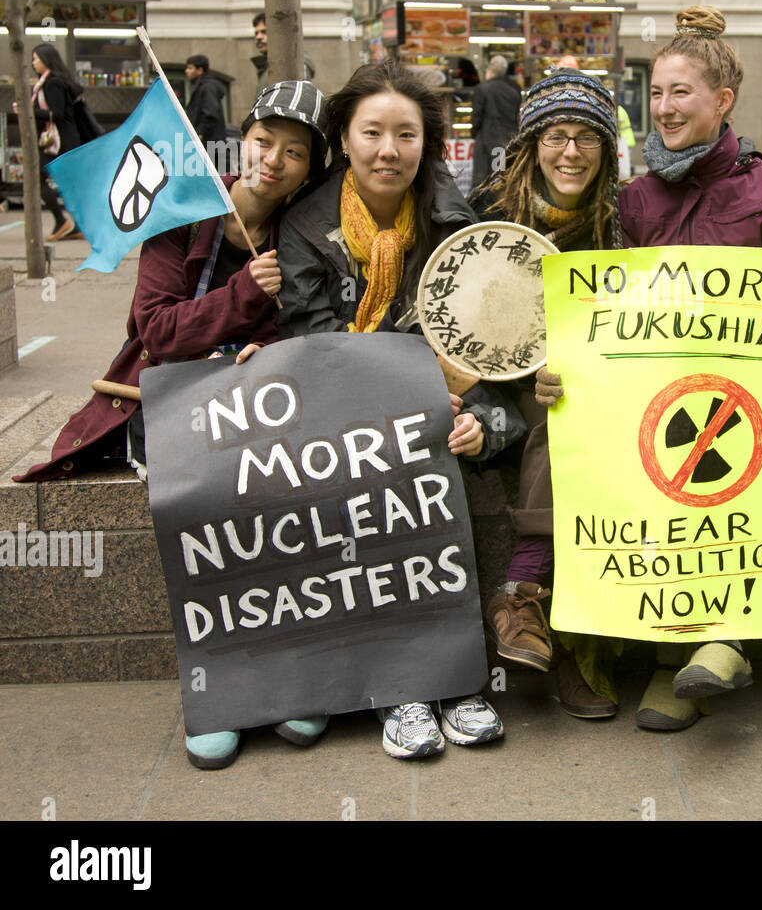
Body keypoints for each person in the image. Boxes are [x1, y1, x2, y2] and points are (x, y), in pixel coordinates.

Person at [536, 5, 762, 730]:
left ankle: (722, 636)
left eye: (681, 92)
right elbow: (598, 316)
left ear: (723, 102)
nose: (664, 106)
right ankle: (665, 654)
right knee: (654, 491)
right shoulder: (632, 199)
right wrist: (563, 372)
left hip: (747, 404)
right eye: (655, 92)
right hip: (654, 398)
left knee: (739, 485)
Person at [15, 79, 331, 769]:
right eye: (264, 142)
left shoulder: (310, 228)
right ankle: (219, 683)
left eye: (295, 152)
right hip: (172, 401)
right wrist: (244, 294)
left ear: (313, 167)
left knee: (303, 487)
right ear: (241, 140)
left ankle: (293, 669)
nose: (274, 161)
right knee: (213, 503)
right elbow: (156, 331)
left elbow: (315, 330)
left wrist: (274, 348)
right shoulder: (183, 210)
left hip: (269, 405)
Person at [276, 58, 522, 759]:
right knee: (377, 478)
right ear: (346, 139)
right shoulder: (305, 227)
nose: (390, 150)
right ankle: (399, 686)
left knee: (446, 466)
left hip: (445, 412)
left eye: (406, 135)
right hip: (342, 414)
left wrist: (488, 424)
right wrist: (401, 400)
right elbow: (309, 344)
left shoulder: (457, 222)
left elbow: (491, 347)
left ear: (429, 143)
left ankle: (457, 679)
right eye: (373, 133)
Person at [471, 71, 625, 720]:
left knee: (581, 414)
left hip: (583, 383)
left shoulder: (620, 224)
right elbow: (463, 328)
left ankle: (529, 601)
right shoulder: (487, 216)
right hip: (497, 387)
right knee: (563, 420)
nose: (571, 152)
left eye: (587, 137)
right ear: (532, 144)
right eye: (556, 136)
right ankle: (541, 611)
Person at [25, 44, 83, 241]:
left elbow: (56, 114)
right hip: (62, 140)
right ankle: (79, 225)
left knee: (37, 178)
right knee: (70, 184)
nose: (33, 63)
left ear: (46, 59)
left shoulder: (52, 83)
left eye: (35, 59)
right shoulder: (51, 81)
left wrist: (27, 110)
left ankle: (61, 221)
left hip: (58, 142)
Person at [469, 54, 521, 191]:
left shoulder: (482, 89)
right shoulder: (514, 90)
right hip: (507, 143)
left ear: (489, 71)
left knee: (481, 183)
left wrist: (474, 134)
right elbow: (517, 117)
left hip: (486, 142)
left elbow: (476, 116)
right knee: (503, 181)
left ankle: (480, 212)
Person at [251, 11, 315, 86]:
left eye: (264, 32)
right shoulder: (267, 66)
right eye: (256, 33)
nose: (258, 37)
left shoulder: (294, 64)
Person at [183, 54, 226, 154]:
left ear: (200, 70)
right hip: (210, 146)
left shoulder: (207, 88)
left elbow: (210, 114)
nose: (186, 71)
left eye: (190, 68)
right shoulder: (201, 87)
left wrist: (199, 133)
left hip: (211, 147)